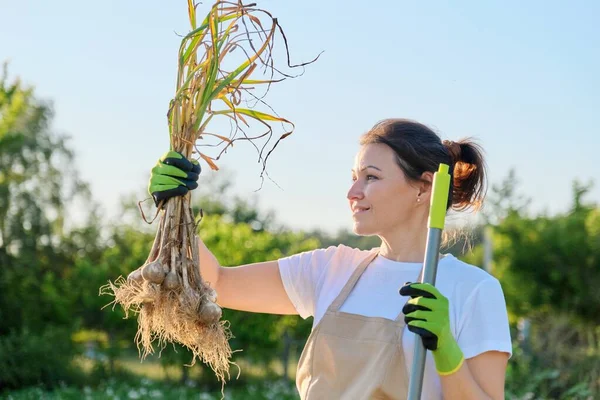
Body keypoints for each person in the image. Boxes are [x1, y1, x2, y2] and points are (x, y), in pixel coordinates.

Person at [148, 118, 512, 400]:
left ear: (424, 187)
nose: (353, 192)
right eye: (354, 177)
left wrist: (446, 350)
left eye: (371, 177)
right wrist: (175, 207)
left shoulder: (473, 290)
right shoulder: (331, 269)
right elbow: (219, 283)